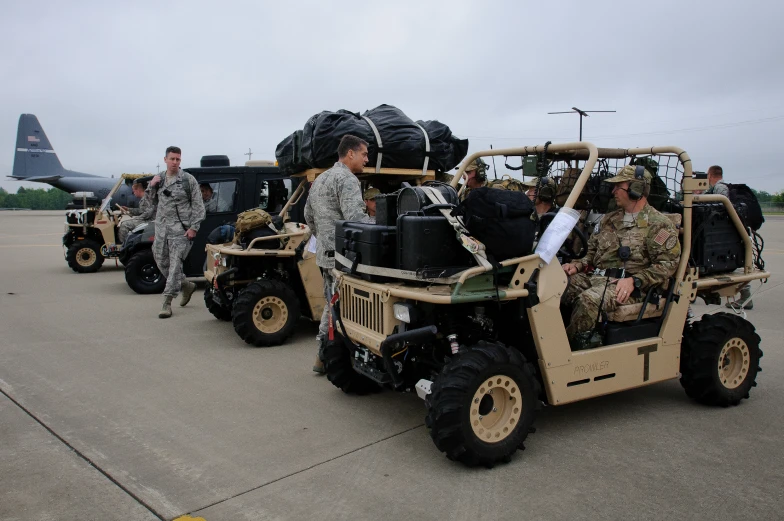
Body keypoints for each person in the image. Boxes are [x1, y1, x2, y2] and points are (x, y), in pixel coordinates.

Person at [561, 165, 681, 350]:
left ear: (637, 190)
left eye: (619, 187)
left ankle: (569, 350)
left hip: (631, 288)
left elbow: (667, 264)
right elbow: (591, 253)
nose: (613, 191)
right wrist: (576, 265)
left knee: (589, 300)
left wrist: (635, 281)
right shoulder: (608, 220)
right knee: (555, 287)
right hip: (597, 278)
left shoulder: (658, 225)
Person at [304, 135, 369, 373]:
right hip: (344, 259)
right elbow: (357, 221)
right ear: (350, 153)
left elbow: (308, 216)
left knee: (332, 304)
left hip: (325, 255)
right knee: (341, 307)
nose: (366, 159)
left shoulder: (321, 179)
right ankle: (328, 356)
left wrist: (324, 236)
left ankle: (323, 356)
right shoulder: (347, 179)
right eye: (364, 154)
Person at [147, 146, 206, 318]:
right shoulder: (159, 180)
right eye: (172, 159)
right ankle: (186, 285)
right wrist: (151, 187)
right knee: (161, 261)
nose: (174, 162)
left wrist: (194, 228)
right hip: (161, 230)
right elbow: (148, 205)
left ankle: (167, 302)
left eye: (177, 159)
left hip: (180, 232)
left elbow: (198, 206)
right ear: (165, 159)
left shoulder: (188, 180)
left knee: (174, 267)